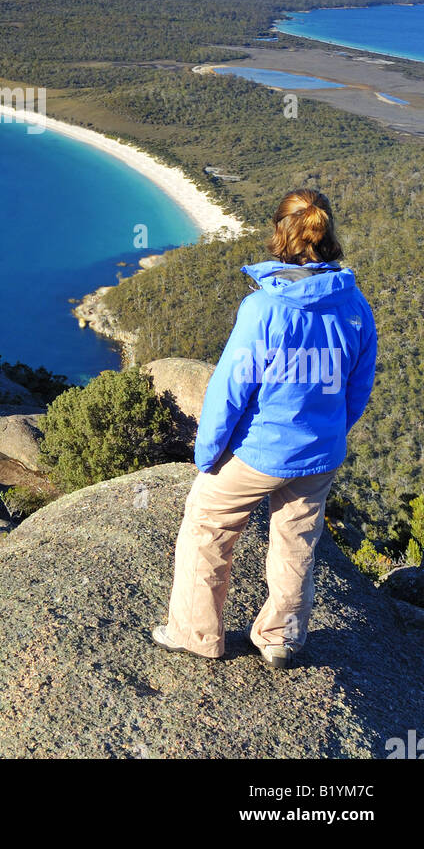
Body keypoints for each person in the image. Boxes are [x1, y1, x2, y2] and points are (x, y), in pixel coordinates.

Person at [153, 188, 377, 670]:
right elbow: (357, 388)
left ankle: (194, 633)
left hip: (259, 452)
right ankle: (281, 638)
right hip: (319, 453)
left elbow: (229, 391)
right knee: (297, 539)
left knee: (207, 526)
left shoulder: (265, 310)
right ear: (327, 234)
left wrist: (208, 454)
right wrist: (329, 434)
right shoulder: (354, 305)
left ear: (280, 233)